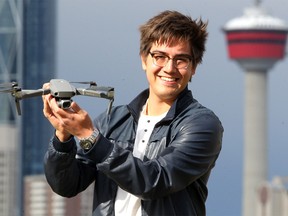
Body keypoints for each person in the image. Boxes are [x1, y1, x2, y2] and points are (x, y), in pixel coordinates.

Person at [42, 10, 223, 216]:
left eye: (181, 60)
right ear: (144, 60)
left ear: (194, 67)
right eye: (160, 57)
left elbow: (155, 180)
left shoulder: (202, 125)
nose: (170, 68)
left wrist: (89, 137)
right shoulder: (113, 120)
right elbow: (66, 185)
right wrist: (63, 137)